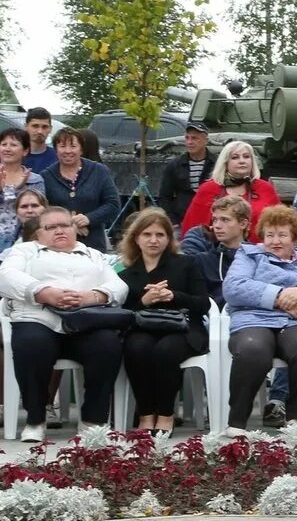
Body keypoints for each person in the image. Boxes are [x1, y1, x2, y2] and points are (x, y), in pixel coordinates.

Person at [0, 205, 128, 441]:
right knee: (32, 344)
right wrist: (43, 292)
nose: (60, 231)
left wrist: (94, 296)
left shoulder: (93, 255)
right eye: (51, 227)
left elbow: (119, 286)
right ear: (39, 233)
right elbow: (6, 276)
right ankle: (35, 420)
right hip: (38, 318)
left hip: (86, 321)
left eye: (65, 225)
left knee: (107, 344)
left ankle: (93, 421)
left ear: (75, 228)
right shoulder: (25, 251)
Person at [222, 206, 297, 433]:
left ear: (294, 238)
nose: (275, 241)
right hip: (253, 320)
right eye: (270, 235)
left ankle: (296, 422)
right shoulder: (249, 255)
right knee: (253, 350)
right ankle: (237, 421)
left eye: (282, 235)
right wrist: (280, 297)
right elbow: (233, 288)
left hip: (294, 323)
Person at [115, 207, 208, 438]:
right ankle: (146, 413)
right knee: (136, 348)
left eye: (160, 235)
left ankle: (166, 413)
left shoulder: (187, 264)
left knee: (166, 351)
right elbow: (121, 312)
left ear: (169, 238)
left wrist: (174, 296)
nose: (153, 240)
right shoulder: (126, 274)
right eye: (147, 235)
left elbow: (203, 303)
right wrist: (144, 301)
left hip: (182, 329)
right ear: (136, 238)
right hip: (142, 328)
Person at [180, 140, 281, 237]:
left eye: (246, 157)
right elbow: (191, 228)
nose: (242, 161)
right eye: (235, 157)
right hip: (214, 251)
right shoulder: (208, 189)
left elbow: (280, 223)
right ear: (225, 162)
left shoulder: (265, 188)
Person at [42, 127, 120, 253]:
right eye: (62, 146)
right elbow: (43, 210)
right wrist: (70, 224)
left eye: (73, 146)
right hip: (57, 246)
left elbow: (113, 204)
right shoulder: (47, 176)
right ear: (56, 150)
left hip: (93, 244)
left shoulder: (99, 171)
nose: (68, 151)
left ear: (81, 149)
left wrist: (89, 219)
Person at [179, 195, 251, 302]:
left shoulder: (257, 258)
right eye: (215, 220)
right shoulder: (201, 261)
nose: (217, 225)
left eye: (225, 220)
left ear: (243, 224)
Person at [156, 121, 215, 226]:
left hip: (211, 219)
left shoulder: (216, 164)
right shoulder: (175, 165)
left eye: (195, 138)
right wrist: (171, 220)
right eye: (187, 138)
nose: (190, 142)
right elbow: (165, 196)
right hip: (181, 219)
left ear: (206, 140)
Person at [0, 127, 46, 255]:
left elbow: (38, 213)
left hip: (23, 242)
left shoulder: (34, 179)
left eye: (13, 145)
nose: (7, 149)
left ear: (25, 151)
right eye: (4, 144)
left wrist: (18, 188)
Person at [20, 107, 56, 176]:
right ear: (26, 126)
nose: (40, 131)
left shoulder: (57, 157)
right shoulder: (15, 155)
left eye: (44, 127)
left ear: (50, 129)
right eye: (35, 126)